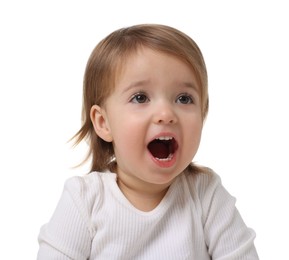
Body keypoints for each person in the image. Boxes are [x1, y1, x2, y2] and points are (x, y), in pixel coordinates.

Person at [37, 24, 259, 259]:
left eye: (184, 98)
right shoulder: (84, 200)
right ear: (103, 122)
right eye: (140, 97)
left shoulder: (206, 195)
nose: (166, 113)